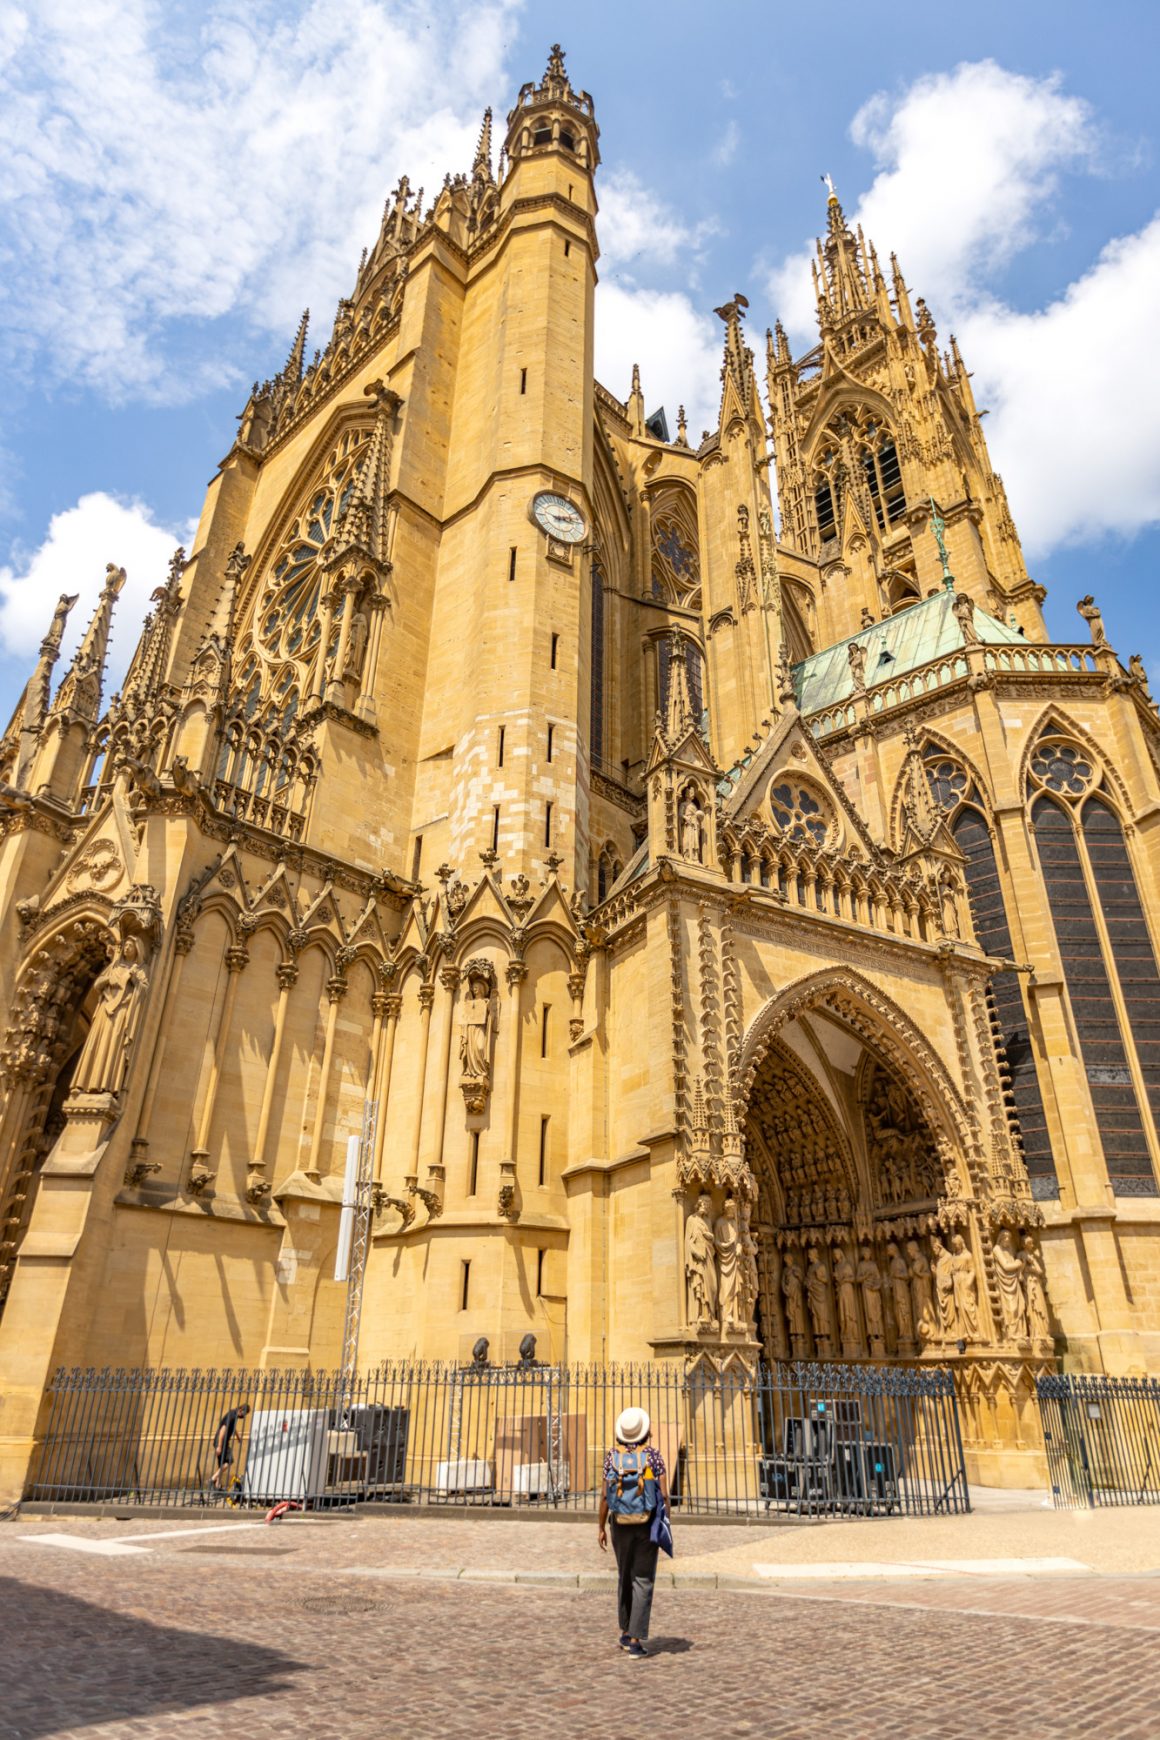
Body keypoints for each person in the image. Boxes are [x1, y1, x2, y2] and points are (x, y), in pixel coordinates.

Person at [597, 1407, 670, 1660]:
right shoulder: (653, 1456)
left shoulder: (611, 1457)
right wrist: (665, 1523)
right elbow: (664, 1494)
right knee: (643, 1578)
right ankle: (636, 1641)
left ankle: (626, 1631)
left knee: (624, 1575)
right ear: (645, 1432)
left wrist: (600, 1526)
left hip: (619, 1524)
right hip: (647, 1522)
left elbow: (605, 1496)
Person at [210, 1403, 250, 1492]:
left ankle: (217, 1486)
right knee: (229, 1461)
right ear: (240, 1410)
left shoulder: (233, 1415)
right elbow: (223, 1430)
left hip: (222, 1441)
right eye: (244, 1414)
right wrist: (219, 1446)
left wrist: (237, 1436)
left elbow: (232, 1427)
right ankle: (213, 1479)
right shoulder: (232, 1416)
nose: (243, 1416)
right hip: (221, 1441)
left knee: (222, 1464)